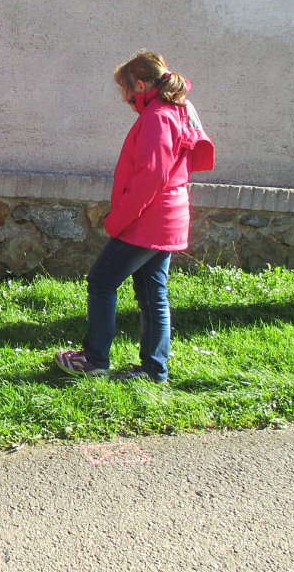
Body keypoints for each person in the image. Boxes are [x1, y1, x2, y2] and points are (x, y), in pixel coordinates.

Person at [55, 51, 215, 383]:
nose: (125, 98)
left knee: (101, 281)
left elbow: (150, 178)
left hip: (149, 221)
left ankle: (95, 361)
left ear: (140, 85)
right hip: (168, 219)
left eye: (125, 90)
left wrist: (119, 220)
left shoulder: (158, 117)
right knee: (152, 293)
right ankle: (154, 371)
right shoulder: (178, 109)